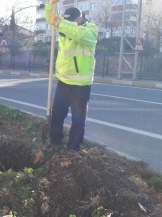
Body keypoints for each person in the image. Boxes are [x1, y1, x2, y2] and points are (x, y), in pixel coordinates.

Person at [45, 0, 98, 151]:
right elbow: (51, 17)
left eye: (71, 22)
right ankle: (54, 142)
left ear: (79, 19)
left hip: (81, 86)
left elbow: (79, 35)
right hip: (63, 82)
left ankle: (74, 148)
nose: (65, 25)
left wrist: (61, 23)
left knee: (78, 120)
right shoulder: (65, 25)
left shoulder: (91, 30)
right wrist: (51, 4)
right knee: (57, 114)